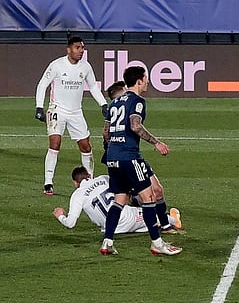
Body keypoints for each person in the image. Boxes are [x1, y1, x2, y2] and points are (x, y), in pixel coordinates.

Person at [101, 65, 182, 256]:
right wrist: (156, 142)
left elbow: (105, 132)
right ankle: (157, 242)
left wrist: (114, 147)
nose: (147, 82)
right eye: (145, 79)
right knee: (149, 198)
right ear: (139, 81)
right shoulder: (137, 100)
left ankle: (107, 242)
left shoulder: (113, 103)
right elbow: (135, 125)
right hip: (129, 157)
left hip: (113, 157)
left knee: (119, 199)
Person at [34, 35, 108, 196]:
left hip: (76, 112)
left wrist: (103, 104)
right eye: (77, 48)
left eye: (82, 48)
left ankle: (90, 182)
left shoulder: (85, 67)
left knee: (86, 146)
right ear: (69, 49)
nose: (81, 51)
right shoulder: (57, 65)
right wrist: (39, 107)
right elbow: (42, 84)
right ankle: (48, 182)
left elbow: (93, 87)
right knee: (55, 143)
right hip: (57, 110)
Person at [53, 166, 182, 235]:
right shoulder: (104, 178)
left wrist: (60, 216)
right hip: (127, 218)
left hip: (111, 229)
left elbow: (70, 223)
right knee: (151, 215)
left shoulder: (77, 195)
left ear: (75, 183)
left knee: (142, 222)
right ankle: (172, 220)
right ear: (89, 176)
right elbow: (124, 188)